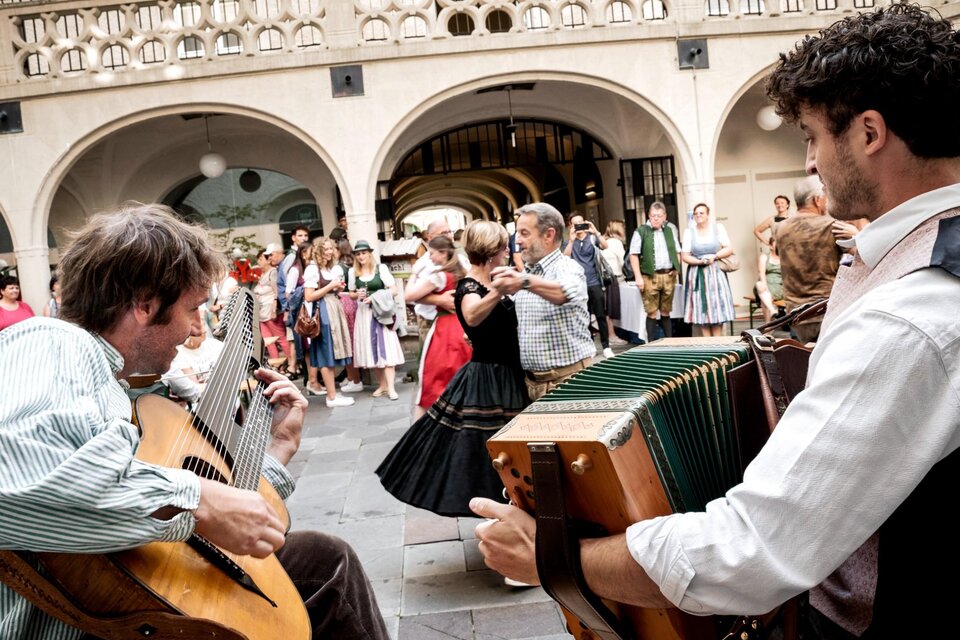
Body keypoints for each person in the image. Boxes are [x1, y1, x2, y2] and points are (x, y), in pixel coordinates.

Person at [472, 5, 960, 638]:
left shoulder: (910, 314)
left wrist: (554, 556)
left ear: (869, 133)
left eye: (812, 135)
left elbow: (750, 551)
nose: (809, 161)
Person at [0, 203, 388, 640]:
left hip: (141, 595)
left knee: (324, 560)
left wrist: (276, 452)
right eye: (193, 308)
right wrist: (198, 498)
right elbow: (12, 477)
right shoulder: (52, 342)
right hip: (79, 624)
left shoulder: (120, 382)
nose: (194, 328)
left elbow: (184, 520)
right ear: (145, 305)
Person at [376, 220, 529, 517]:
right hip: (490, 378)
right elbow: (471, 315)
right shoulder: (471, 285)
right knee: (488, 449)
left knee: (499, 448)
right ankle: (499, 512)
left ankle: (507, 510)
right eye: (503, 245)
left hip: (507, 373)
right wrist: (498, 292)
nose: (508, 249)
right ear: (492, 250)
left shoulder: (490, 280)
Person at [491, 203, 595, 401]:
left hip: (569, 383)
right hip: (532, 385)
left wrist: (523, 281)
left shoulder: (567, 267)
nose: (517, 241)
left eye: (524, 233)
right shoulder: (527, 273)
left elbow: (565, 292)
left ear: (548, 235)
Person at [404, 235, 472, 417]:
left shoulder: (439, 275)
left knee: (432, 379)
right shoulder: (463, 269)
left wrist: (414, 273)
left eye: (432, 253)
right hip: (463, 326)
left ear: (443, 253)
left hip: (445, 330)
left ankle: (422, 431)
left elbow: (408, 295)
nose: (430, 257)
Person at [775, 175, 843, 343]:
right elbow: (862, 254)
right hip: (825, 310)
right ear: (816, 200)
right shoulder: (830, 225)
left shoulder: (781, 227)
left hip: (796, 313)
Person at [302, 238, 355, 408]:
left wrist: (337, 287)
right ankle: (331, 397)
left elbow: (330, 288)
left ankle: (332, 393)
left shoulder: (329, 268)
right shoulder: (312, 269)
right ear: (318, 250)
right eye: (325, 249)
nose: (329, 251)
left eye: (331, 248)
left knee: (332, 351)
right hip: (323, 311)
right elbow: (309, 296)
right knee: (326, 353)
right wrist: (330, 286)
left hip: (333, 307)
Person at [348, 239, 404, 400]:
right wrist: (356, 295)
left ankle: (391, 388)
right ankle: (382, 385)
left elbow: (393, 290)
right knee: (372, 350)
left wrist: (374, 297)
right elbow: (351, 293)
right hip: (364, 315)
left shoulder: (381, 269)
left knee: (386, 348)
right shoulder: (353, 273)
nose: (360, 256)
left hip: (381, 314)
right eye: (358, 254)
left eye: (363, 253)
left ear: (369, 254)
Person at [628, 201, 681, 342]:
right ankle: (651, 344)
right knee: (651, 311)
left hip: (668, 275)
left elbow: (678, 251)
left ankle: (671, 343)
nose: (656, 218)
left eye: (659, 215)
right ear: (649, 216)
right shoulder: (641, 231)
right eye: (653, 216)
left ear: (664, 216)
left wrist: (677, 268)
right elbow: (633, 254)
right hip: (649, 276)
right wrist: (638, 277)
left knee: (666, 310)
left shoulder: (669, 231)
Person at [680, 202, 736, 336]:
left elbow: (729, 248)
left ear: (708, 215)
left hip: (715, 273)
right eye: (696, 213)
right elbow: (685, 256)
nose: (698, 215)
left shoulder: (718, 228)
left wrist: (715, 257)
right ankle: (707, 342)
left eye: (701, 213)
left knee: (717, 307)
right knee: (701, 309)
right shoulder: (689, 232)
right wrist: (699, 262)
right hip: (697, 273)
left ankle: (718, 341)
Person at [563, 213, 612, 358]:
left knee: (600, 315)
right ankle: (589, 346)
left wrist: (595, 231)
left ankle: (606, 346)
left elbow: (605, 245)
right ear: (571, 226)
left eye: (581, 222)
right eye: (575, 224)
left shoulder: (591, 238)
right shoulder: (569, 242)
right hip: (578, 284)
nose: (579, 226)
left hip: (594, 281)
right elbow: (564, 258)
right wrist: (571, 240)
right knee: (583, 317)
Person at [277, 225, 310, 378]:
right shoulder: (292, 257)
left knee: (295, 338)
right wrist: (288, 308)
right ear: (293, 238)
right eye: (300, 235)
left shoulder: (293, 255)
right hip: (295, 307)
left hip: (294, 306)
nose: (303, 238)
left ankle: (294, 367)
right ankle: (292, 367)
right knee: (295, 338)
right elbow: (288, 287)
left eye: (305, 236)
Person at [161, 330, 226, 406]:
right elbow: (193, 391)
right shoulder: (177, 355)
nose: (204, 329)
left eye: (203, 322)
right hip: (201, 405)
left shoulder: (214, 344)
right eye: (196, 326)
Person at [254, 244, 293, 364]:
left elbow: (276, 291)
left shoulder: (273, 273)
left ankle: (291, 364)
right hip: (261, 312)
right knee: (267, 340)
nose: (259, 261)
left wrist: (274, 309)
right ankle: (277, 365)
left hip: (270, 310)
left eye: (261, 258)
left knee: (280, 338)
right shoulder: (263, 274)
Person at [336, 238, 364, 392]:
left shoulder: (339, 267)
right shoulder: (351, 265)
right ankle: (353, 377)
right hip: (353, 303)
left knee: (347, 343)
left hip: (344, 301)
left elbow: (339, 289)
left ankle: (354, 378)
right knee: (352, 341)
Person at [600, 220, 627, 346]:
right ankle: (612, 335)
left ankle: (610, 334)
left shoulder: (604, 242)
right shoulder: (616, 242)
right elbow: (623, 262)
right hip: (613, 278)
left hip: (603, 278)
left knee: (606, 308)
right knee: (611, 309)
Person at [754, 236, 783, 323]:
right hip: (766, 283)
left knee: (764, 301)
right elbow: (761, 273)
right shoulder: (764, 257)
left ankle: (768, 325)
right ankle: (773, 310)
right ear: (770, 246)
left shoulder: (783, 257)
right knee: (760, 285)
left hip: (780, 285)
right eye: (776, 243)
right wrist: (765, 285)